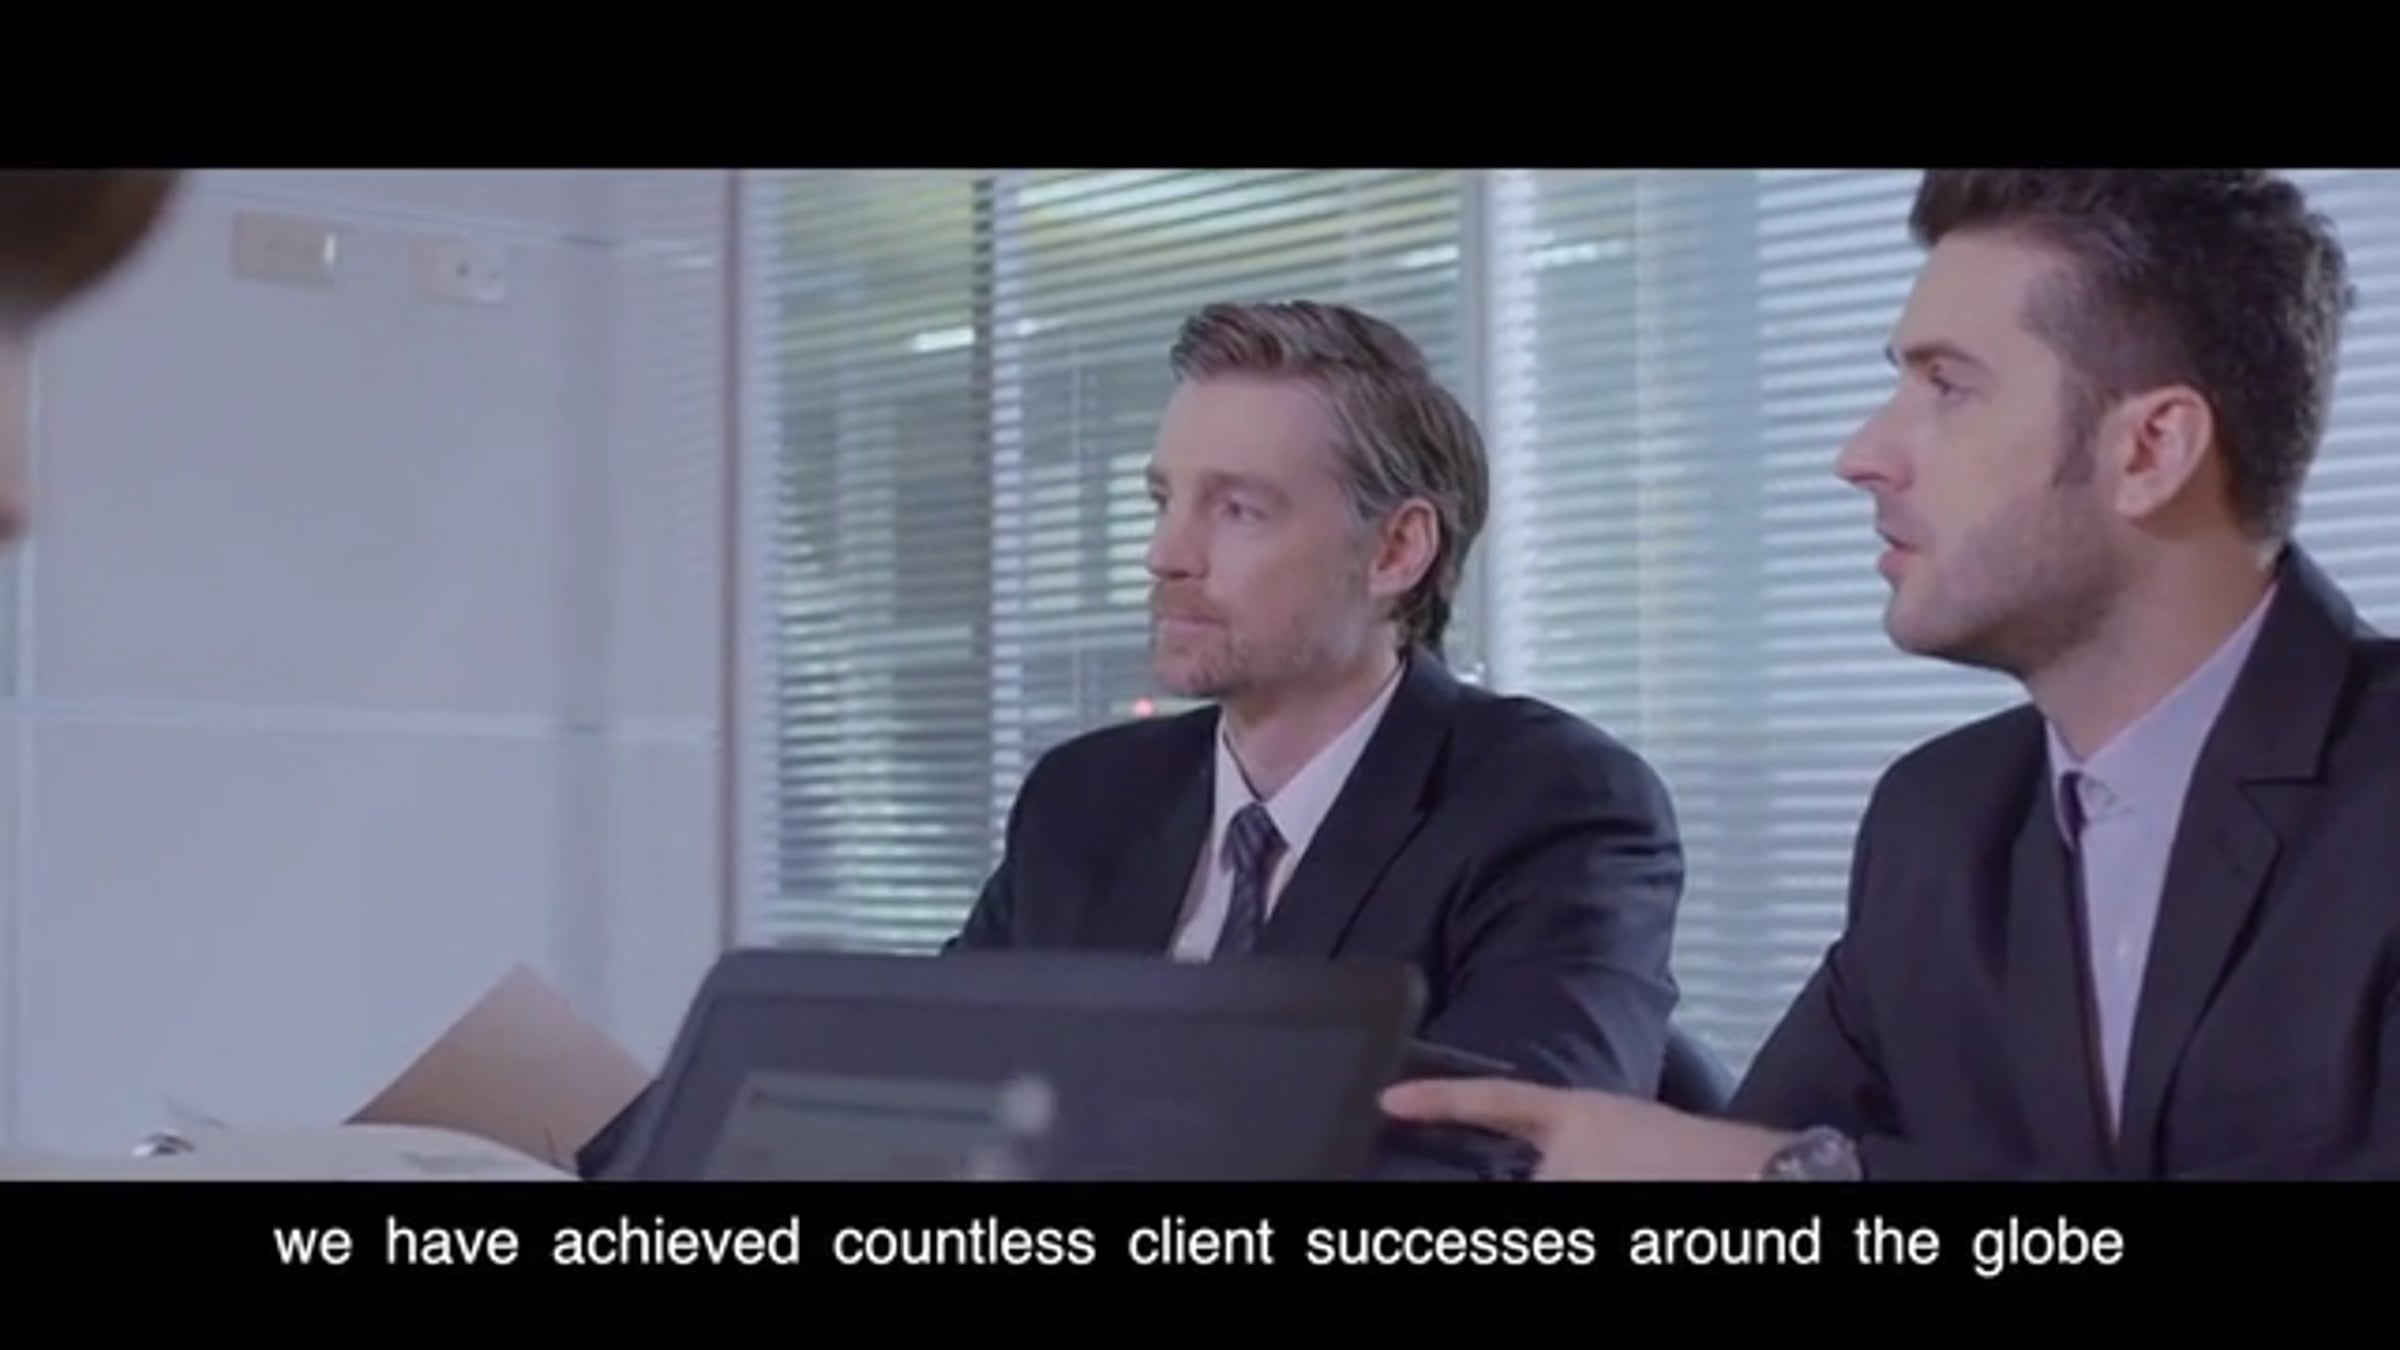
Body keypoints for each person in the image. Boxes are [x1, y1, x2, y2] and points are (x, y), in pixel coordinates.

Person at [1385, 168, 2400, 1181]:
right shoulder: (1940, 822)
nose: (1861, 453)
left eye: (1948, 387)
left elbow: (1779, 1171)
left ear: (2150, 450)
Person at [945, 299, 1686, 1180]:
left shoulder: (1553, 805)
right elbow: (933, 1086)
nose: (1165, 553)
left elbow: (1514, 1151)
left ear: (1395, 551)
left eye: (1238, 510)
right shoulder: (1083, 797)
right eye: (1164, 500)